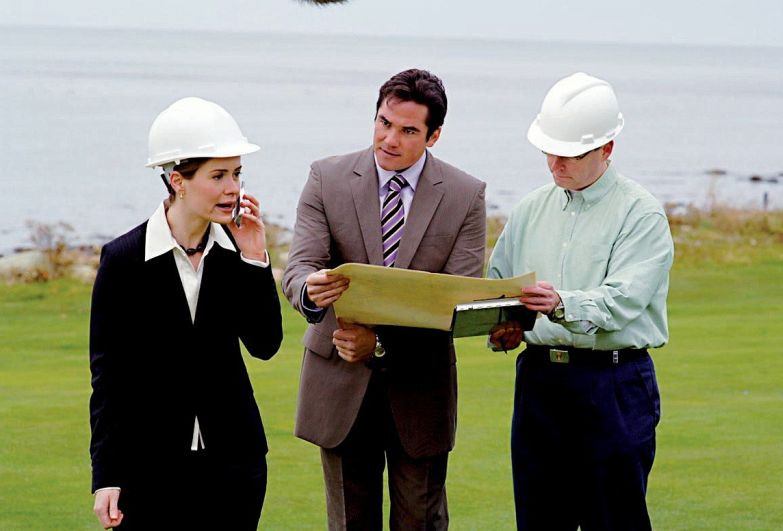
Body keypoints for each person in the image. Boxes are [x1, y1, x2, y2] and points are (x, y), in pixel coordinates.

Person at [282, 68, 486, 530]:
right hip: (337, 386)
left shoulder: (466, 194)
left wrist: (378, 343)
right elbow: (297, 268)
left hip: (422, 389)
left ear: (433, 135)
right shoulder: (326, 178)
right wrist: (310, 293)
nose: (390, 139)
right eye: (383, 122)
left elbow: (458, 304)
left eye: (408, 130)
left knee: (421, 522)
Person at [488, 72, 673, 530]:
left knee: (613, 520)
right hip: (539, 384)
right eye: (548, 150)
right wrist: (500, 325)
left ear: (607, 148)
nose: (555, 163)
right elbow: (498, 283)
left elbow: (622, 301)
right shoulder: (531, 208)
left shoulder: (641, 213)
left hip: (612, 383)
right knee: (538, 520)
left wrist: (559, 303)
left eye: (569, 153)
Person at [89, 97, 282, 529]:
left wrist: (255, 257)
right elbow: (108, 377)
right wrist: (106, 476)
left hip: (236, 466)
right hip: (148, 471)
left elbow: (266, 344)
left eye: (236, 173)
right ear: (178, 180)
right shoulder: (122, 260)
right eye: (218, 175)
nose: (234, 188)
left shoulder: (236, 251)